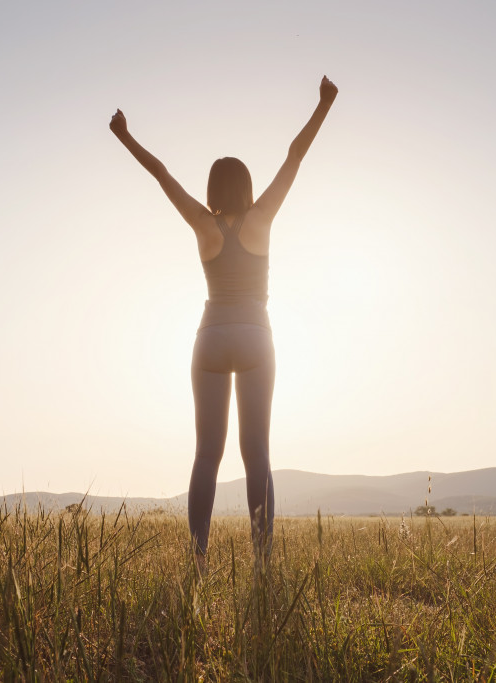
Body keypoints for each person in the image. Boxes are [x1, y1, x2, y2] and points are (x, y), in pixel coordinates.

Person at [110, 75, 338, 570]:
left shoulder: (202, 223)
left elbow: (162, 174)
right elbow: (295, 156)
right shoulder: (262, 218)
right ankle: (261, 563)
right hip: (256, 337)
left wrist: (126, 136)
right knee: (256, 452)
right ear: (248, 186)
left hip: (210, 338)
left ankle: (197, 560)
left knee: (206, 455)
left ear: (213, 188)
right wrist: (324, 104)